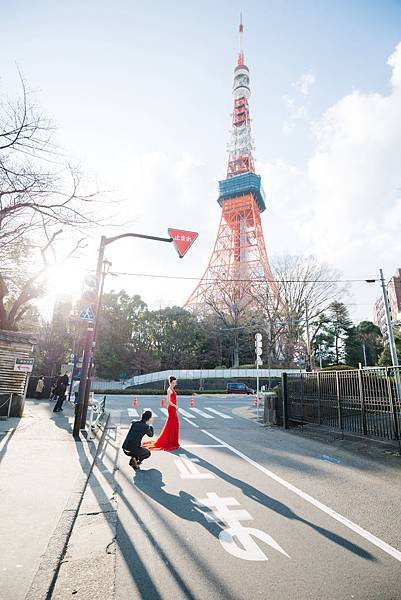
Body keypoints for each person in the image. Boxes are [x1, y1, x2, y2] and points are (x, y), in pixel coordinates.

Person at [143, 376, 180, 451]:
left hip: (173, 408)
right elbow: (168, 401)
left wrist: (176, 405)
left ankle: (172, 441)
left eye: (175, 382)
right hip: (171, 408)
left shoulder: (172, 389)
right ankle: (169, 441)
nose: (174, 384)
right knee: (173, 423)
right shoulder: (169, 390)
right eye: (173, 382)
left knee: (173, 423)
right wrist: (175, 406)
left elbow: (174, 399)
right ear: (170, 383)